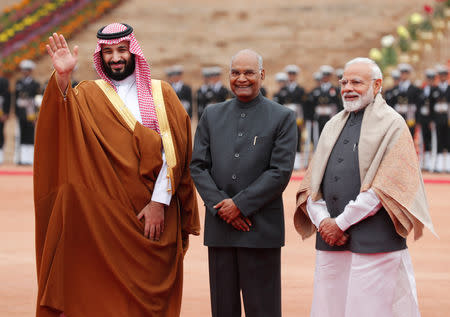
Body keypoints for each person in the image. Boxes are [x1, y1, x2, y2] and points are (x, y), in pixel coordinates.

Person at [34, 23, 200, 317]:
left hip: (152, 219)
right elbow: (61, 122)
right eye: (108, 52)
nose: (115, 58)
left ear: (133, 51)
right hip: (105, 221)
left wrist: (159, 203)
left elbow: (176, 151)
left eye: (121, 50)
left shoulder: (161, 94)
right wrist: (62, 78)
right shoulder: (86, 93)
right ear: (101, 56)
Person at [294, 57, 435, 317]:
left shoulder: (393, 125)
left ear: (377, 84)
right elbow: (311, 185)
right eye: (344, 81)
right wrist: (324, 221)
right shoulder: (332, 124)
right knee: (329, 306)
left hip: (375, 240)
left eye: (356, 82)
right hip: (331, 240)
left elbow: (384, 189)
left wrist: (341, 223)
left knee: (369, 309)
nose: (347, 87)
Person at [190, 49, 297, 317]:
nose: (242, 78)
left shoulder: (282, 116)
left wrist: (240, 205)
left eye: (249, 72)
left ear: (261, 74)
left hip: (260, 229)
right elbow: (198, 166)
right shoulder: (212, 115)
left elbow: (279, 172)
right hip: (220, 229)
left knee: (263, 308)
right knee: (223, 308)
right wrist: (221, 207)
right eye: (236, 72)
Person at [14, 59, 40, 165]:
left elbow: (37, 99)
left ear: (31, 71)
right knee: (20, 134)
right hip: (21, 112)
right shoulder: (18, 83)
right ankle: (21, 158)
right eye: (23, 70)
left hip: (31, 113)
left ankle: (29, 158)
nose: (25, 72)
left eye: (27, 70)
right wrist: (16, 112)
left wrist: (37, 114)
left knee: (30, 134)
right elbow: (15, 98)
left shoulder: (35, 84)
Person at [284, 64, 307, 170]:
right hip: (285, 117)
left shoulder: (300, 90)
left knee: (297, 138)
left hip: (297, 117)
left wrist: (302, 119)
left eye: (293, 74)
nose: (291, 76)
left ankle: (296, 163)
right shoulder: (283, 89)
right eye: (290, 74)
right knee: (284, 138)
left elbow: (303, 106)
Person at [392, 63, 422, 136]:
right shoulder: (395, 89)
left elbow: (418, 104)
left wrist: (418, 120)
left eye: (406, 73)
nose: (404, 75)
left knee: (410, 138)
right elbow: (392, 103)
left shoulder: (415, 89)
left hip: (410, 118)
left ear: (409, 74)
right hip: (398, 118)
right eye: (402, 73)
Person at [418, 69, 438, 171]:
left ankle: (432, 164)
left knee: (432, 141)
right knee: (423, 141)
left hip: (432, 120)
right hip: (423, 119)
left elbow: (435, 108)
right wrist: (419, 120)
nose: (430, 80)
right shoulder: (421, 91)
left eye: (431, 78)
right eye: (428, 78)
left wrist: (433, 120)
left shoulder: (436, 90)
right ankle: (424, 163)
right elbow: (418, 106)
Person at [434, 64, 449, 173]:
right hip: (438, 118)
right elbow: (430, 106)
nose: (443, 77)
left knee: (448, 142)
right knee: (439, 141)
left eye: (445, 75)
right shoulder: (435, 89)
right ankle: (439, 166)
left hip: (448, 119)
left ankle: (448, 165)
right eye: (441, 75)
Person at [0, 65, 11, 164]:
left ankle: (0, 155)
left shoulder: (4, 81)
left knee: (0, 133)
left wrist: (6, 112)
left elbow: (7, 97)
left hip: (1, 111)